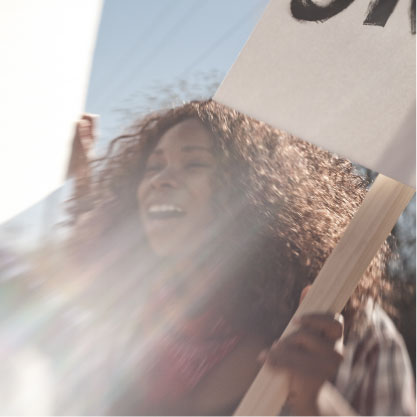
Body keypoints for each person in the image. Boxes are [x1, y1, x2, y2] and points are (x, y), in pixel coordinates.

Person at [54, 99, 414, 415]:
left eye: (193, 164)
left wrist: (314, 402)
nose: (161, 180)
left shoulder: (343, 323)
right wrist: (81, 178)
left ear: (251, 189)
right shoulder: (126, 315)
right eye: (153, 167)